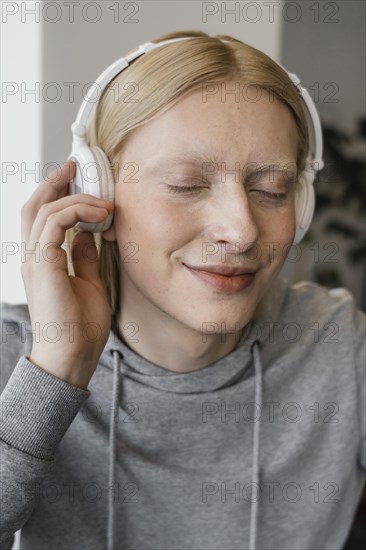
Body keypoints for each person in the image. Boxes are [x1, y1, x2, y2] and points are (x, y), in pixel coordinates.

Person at [1, 30, 365, 550]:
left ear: (301, 206)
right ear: (95, 193)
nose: (240, 231)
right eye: (186, 185)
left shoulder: (340, 346)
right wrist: (57, 369)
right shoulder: (18, 360)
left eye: (271, 190)